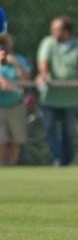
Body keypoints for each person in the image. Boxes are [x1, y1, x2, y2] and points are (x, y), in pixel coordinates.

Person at [36, 16, 78, 166]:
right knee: (50, 129)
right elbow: (43, 63)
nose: (53, 32)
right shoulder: (48, 43)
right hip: (50, 98)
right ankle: (56, 159)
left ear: (67, 31)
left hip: (70, 98)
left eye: (57, 29)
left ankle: (68, 161)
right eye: (52, 29)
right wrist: (45, 75)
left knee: (68, 132)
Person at [0, 30, 31, 165]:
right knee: (1, 140)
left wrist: (15, 64)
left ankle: (11, 164)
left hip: (16, 105)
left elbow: (26, 79)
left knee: (16, 139)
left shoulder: (18, 59)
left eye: (5, 44)